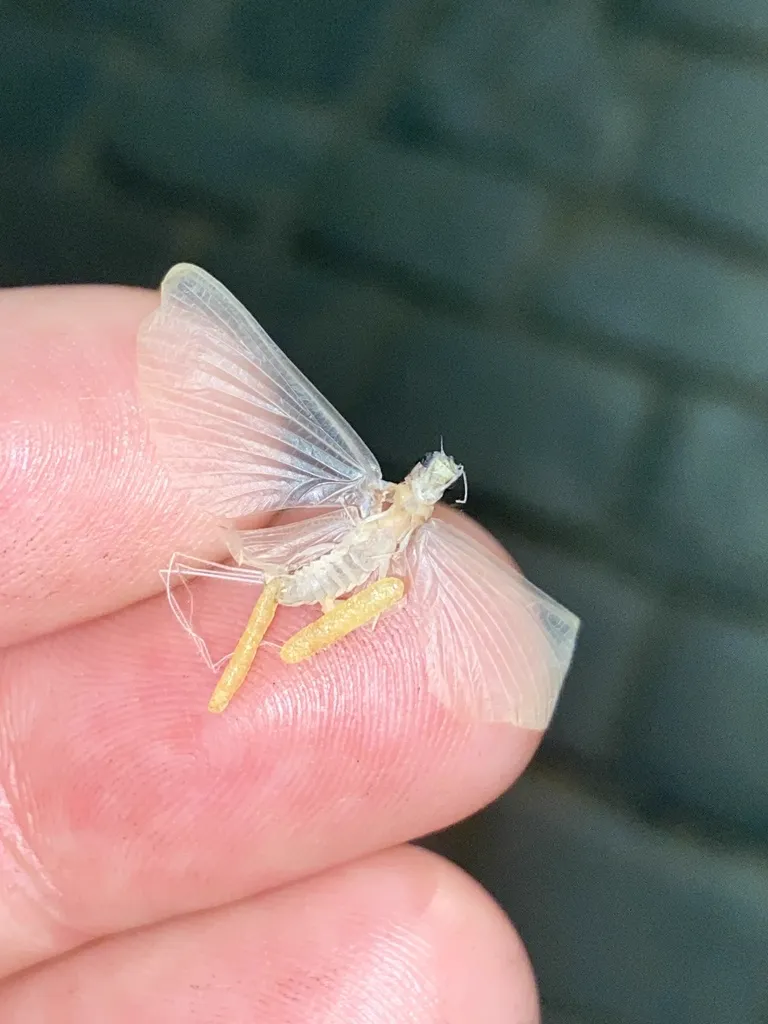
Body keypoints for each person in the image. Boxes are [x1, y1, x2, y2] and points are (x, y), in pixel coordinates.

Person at [0, 282, 554, 1022]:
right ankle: (281, 636)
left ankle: (284, 637)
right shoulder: (384, 510)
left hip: (330, 575)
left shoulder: (393, 526)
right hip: (320, 573)